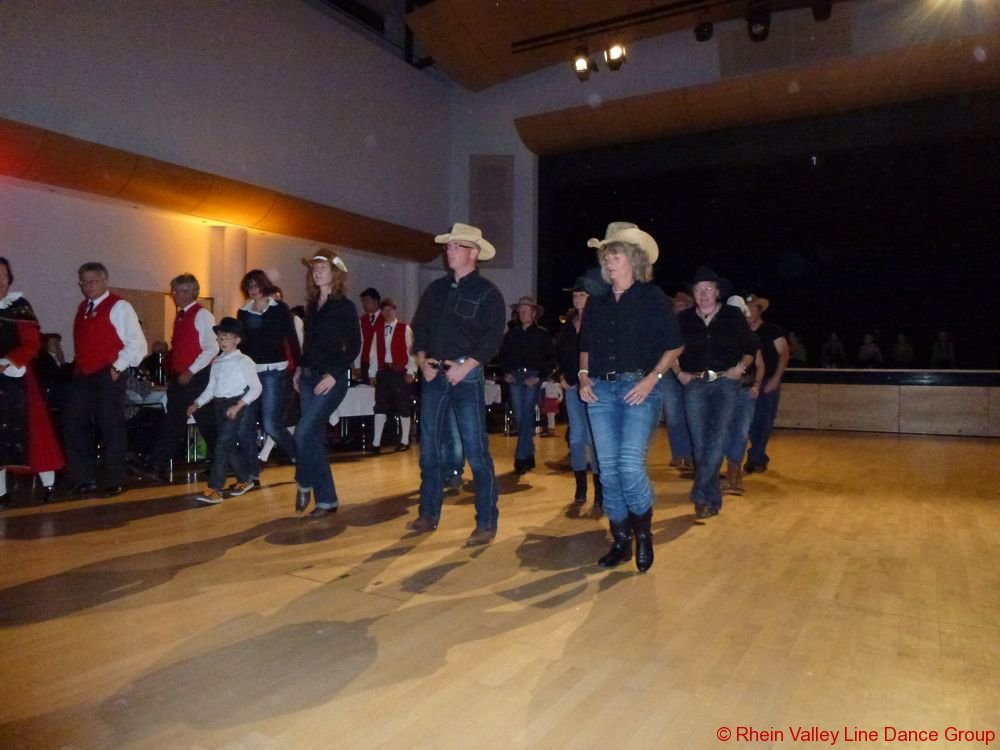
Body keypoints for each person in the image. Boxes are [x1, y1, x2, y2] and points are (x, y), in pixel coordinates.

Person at [578, 222, 684, 573]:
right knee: (607, 470)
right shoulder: (596, 303)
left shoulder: (652, 298)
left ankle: (644, 534)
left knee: (628, 465)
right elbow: (585, 347)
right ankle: (621, 540)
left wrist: (652, 379)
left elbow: (675, 345)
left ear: (634, 260)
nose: (609, 261)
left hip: (639, 389)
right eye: (606, 256)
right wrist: (583, 376)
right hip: (600, 391)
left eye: (616, 255)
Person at [407, 223, 506, 546]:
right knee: (429, 449)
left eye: (455, 246)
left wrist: (467, 367)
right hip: (434, 374)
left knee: (476, 450)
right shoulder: (435, 289)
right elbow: (420, 327)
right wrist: (422, 360)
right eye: (448, 246)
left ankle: (486, 522)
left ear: (473, 253)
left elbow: (493, 337)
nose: (448, 251)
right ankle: (428, 514)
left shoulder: (488, 293)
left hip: (466, 376)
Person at [675, 266, 756, 519]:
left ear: (717, 292)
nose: (703, 294)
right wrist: (678, 373)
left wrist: (740, 368)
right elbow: (670, 348)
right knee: (700, 443)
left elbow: (751, 348)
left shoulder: (733, 316)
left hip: (725, 384)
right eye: (698, 289)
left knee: (718, 437)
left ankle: (700, 493)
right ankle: (711, 499)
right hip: (695, 384)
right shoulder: (684, 319)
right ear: (693, 293)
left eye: (708, 289)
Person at [64, 262, 147, 496]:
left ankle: (116, 479)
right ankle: (83, 477)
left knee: (111, 426)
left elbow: (137, 344)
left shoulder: (119, 306)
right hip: (84, 374)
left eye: (92, 281)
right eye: (84, 282)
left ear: (104, 281)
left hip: (107, 373)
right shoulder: (83, 307)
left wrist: (117, 368)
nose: (88, 286)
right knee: (73, 423)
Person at [293, 249, 361, 518]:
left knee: (302, 433)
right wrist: (300, 368)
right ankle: (327, 500)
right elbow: (310, 344)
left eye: (322, 268)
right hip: (308, 376)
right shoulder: (312, 306)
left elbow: (354, 346)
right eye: (314, 268)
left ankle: (303, 481)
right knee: (313, 438)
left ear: (335, 273)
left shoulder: (345, 306)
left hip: (331, 379)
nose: (316, 272)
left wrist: (334, 374)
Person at [0, 258, 65, 508]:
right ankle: (1, 492)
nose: (0, 280)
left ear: (10, 278)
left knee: (35, 433)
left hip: (18, 380)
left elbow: (32, 344)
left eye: (3, 274)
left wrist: (7, 361)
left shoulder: (20, 307)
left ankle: (49, 485)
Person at [148, 274, 218, 481]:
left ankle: (226, 462)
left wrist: (190, 370)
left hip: (197, 378)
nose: (176, 294)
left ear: (191, 292)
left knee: (205, 422)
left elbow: (212, 347)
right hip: (182, 378)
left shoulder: (202, 315)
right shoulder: (181, 316)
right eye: (175, 290)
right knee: (176, 421)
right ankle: (158, 464)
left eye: (181, 291)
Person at [186, 317, 262, 504]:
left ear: (237, 340)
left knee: (221, 446)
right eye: (220, 338)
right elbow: (211, 388)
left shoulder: (244, 361)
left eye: (227, 337)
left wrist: (239, 405)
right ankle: (245, 479)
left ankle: (215, 488)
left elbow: (256, 388)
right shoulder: (217, 362)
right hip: (219, 406)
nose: (222, 341)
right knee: (227, 446)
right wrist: (198, 403)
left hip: (233, 405)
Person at [236, 269, 301, 483]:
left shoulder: (280, 309)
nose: (253, 289)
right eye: (249, 286)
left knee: (272, 424)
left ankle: (300, 458)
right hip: (250, 372)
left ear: (264, 285)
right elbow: (242, 346)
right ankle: (251, 473)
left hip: (274, 371)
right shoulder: (243, 312)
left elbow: (291, 338)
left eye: (256, 285)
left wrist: (299, 368)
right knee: (245, 425)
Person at [554, 273, 605, 507]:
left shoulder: (598, 322)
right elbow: (558, 354)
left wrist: (594, 378)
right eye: (575, 295)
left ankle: (600, 490)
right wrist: (560, 376)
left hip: (593, 385)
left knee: (594, 437)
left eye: (582, 294)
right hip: (572, 386)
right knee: (576, 437)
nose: (577, 298)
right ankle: (580, 488)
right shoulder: (568, 325)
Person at [498, 296, 556, 473]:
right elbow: (502, 356)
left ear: (534, 313)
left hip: (533, 377)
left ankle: (520, 458)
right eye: (520, 310)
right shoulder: (511, 335)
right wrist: (506, 373)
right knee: (520, 417)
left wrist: (539, 377)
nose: (522, 313)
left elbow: (551, 360)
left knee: (526, 414)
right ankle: (529, 454)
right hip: (515, 377)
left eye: (526, 310)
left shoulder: (542, 335)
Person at [720, 296, 764, 495]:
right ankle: (732, 472)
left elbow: (760, 365)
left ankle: (733, 471)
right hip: (725, 390)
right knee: (726, 430)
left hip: (745, 389)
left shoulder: (751, 338)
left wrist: (757, 384)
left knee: (741, 431)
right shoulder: (719, 337)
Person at [744, 293, 790, 475]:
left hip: (768, 381)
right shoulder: (741, 332)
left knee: (764, 422)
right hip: (746, 383)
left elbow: (784, 354)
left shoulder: (772, 330)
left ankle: (755, 457)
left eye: (752, 308)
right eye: (746, 309)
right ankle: (757, 457)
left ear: (759, 311)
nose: (748, 312)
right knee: (748, 423)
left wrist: (776, 378)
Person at [366, 297, 416, 454]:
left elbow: (411, 352)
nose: (387, 313)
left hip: (400, 371)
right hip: (384, 372)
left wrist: (411, 371)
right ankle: (376, 443)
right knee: (380, 406)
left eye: (390, 309)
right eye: (384, 310)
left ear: (395, 310)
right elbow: (374, 353)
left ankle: (405, 440)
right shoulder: (378, 330)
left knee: (403, 405)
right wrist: (372, 373)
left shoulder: (404, 329)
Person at [664, 291, 695, 471]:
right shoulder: (667, 326)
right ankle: (679, 453)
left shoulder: (693, 326)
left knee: (692, 414)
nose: (679, 308)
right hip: (669, 373)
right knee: (673, 415)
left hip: (691, 371)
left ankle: (690, 454)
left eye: (683, 305)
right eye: (677, 305)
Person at [357, 287, 382, 381]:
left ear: (376, 301)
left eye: (367, 301)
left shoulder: (386, 319)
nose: (364, 304)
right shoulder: (362, 320)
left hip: (381, 363)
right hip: (365, 362)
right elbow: (359, 342)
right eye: (363, 301)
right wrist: (357, 365)